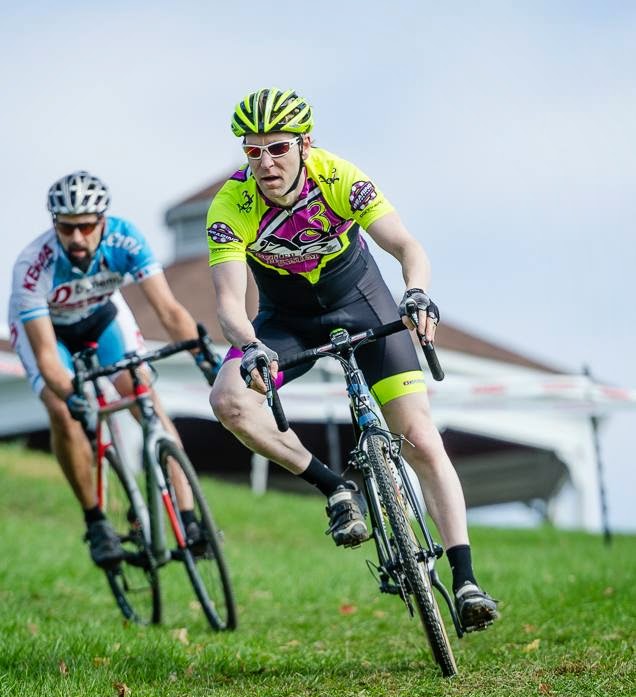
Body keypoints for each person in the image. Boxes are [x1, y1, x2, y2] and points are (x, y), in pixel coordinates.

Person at [206, 88, 498, 631]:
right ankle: (335, 487)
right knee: (228, 400)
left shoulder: (339, 177)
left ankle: (466, 580)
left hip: (362, 302)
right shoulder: (231, 206)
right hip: (285, 321)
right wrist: (251, 346)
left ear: (305, 144)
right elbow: (228, 302)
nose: (266, 163)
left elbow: (407, 246)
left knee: (420, 436)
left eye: (278, 148)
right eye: (253, 151)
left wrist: (416, 293)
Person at [9, 170, 213, 569]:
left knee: (142, 393)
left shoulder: (125, 239)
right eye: (67, 227)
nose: (77, 237)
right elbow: (47, 356)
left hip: (101, 319)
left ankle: (188, 518)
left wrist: (203, 357)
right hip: (50, 333)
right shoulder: (33, 266)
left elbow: (169, 311)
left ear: (103, 221)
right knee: (62, 411)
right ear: (55, 224)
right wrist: (71, 395)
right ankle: (96, 522)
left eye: (86, 226)